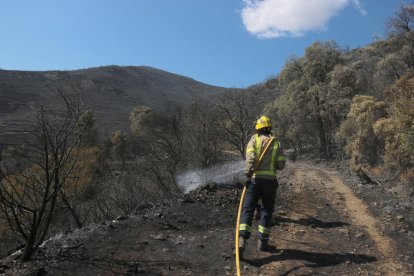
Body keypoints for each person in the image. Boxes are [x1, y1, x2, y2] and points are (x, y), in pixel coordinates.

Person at [239, 116, 285, 255]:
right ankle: (262, 243)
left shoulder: (253, 140)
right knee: (266, 211)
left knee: (247, 210)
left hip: (254, 181)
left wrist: (247, 176)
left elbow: (251, 160)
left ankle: (242, 240)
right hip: (270, 183)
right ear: (270, 128)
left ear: (258, 129)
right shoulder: (276, 142)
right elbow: (281, 165)